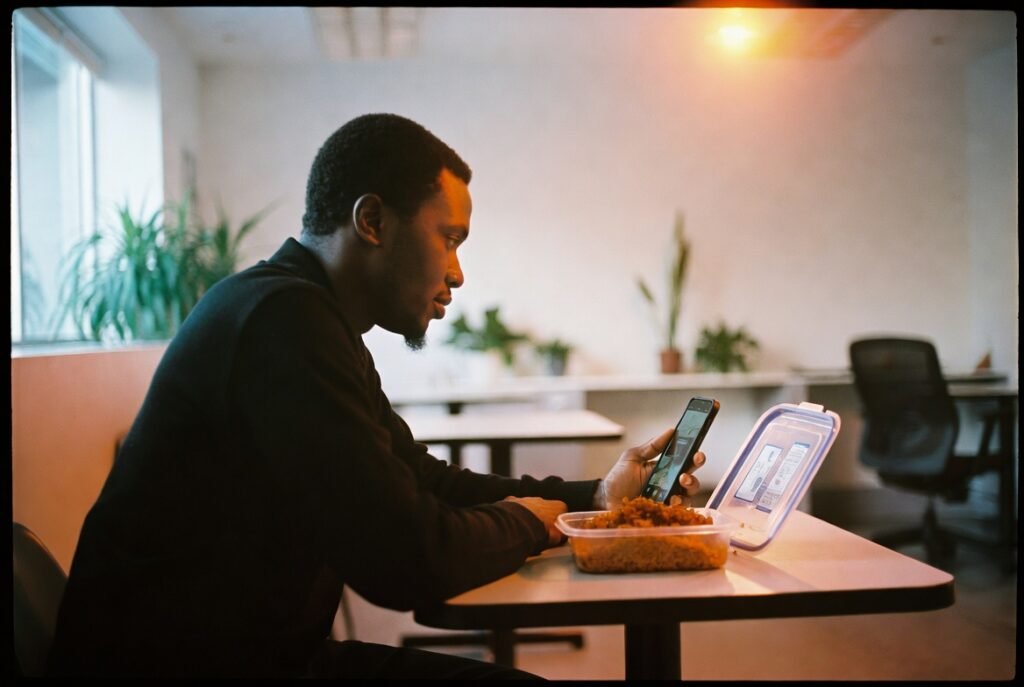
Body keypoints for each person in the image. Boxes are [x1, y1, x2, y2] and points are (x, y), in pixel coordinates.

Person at [47, 113, 706, 679]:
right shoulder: (282, 323)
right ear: (371, 221)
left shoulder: (305, 316)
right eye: (449, 238)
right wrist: (533, 522)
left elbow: (424, 481)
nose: (457, 273)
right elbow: (408, 558)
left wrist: (595, 498)